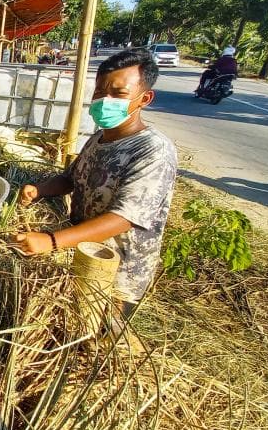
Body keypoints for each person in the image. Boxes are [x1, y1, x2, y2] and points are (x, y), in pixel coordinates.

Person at [11, 48, 178, 321]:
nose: (105, 100)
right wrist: (40, 189)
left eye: (118, 93)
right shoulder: (98, 139)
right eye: (100, 92)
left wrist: (51, 241)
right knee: (73, 322)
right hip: (81, 251)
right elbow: (70, 179)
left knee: (102, 331)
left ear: (144, 98)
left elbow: (124, 217)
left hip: (118, 272)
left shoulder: (153, 150)